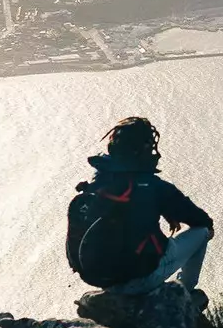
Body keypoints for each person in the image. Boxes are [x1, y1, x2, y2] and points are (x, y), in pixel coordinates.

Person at [65, 115, 213, 295]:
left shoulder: (98, 181)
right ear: (143, 149)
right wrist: (167, 209)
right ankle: (184, 293)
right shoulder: (154, 186)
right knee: (203, 231)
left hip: (100, 278)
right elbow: (200, 219)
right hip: (141, 278)